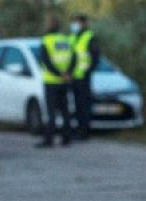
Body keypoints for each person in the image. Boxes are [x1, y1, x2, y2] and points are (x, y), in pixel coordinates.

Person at [35, 16, 75, 147]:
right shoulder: (65, 40)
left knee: (51, 112)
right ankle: (66, 138)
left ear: (49, 26)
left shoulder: (46, 40)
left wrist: (59, 74)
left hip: (51, 82)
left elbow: (46, 62)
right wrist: (68, 73)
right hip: (65, 82)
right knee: (65, 111)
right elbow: (74, 58)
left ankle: (49, 139)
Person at [70, 13, 99, 139]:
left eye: (78, 22)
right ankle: (78, 129)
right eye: (74, 22)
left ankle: (84, 131)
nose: (75, 25)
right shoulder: (72, 37)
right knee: (77, 105)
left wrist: (89, 71)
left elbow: (95, 56)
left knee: (84, 105)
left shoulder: (89, 37)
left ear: (84, 23)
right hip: (74, 77)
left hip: (84, 77)